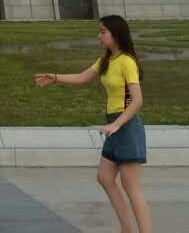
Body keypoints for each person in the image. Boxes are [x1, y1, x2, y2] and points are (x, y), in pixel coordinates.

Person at [36, 14, 152, 233]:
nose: (99, 36)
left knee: (132, 188)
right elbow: (82, 77)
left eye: (103, 32)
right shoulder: (107, 60)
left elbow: (137, 101)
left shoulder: (127, 61)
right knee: (105, 177)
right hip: (113, 125)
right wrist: (55, 77)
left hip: (125, 125)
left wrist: (117, 125)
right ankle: (127, 228)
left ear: (116, 34)